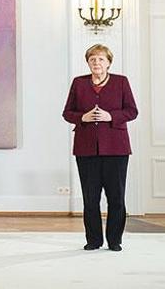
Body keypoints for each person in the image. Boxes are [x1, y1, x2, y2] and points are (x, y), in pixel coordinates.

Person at [62, 44, 138, 252]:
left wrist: (110, 116)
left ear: (109, 63)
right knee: (90, 198)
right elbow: (67, 113)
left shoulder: (121, 82)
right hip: (86, 149)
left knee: (116, 198)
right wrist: (83, 117)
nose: (96, 63)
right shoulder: (79, 83)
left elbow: (132, 111)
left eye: (101, 59)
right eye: (92, 59)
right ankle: (94, 240)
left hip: (117, 149)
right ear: (88, 62)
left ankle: (114, 240)